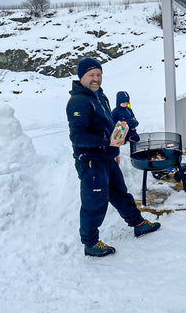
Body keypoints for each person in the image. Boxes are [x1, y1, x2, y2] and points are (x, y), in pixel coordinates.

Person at [66, 57, 160, 257]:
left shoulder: (99, 96)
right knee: (95, 202)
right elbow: (78, 136)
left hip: (107, 157)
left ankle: (139, 224)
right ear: (81, 76)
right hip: (91, 161)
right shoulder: (79, 101)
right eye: (91, 75)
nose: (96, 79)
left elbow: (108, 126)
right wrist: (106, 143)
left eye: (98, 74)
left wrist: (114, 149)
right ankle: (90, 243)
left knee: (120, 193)